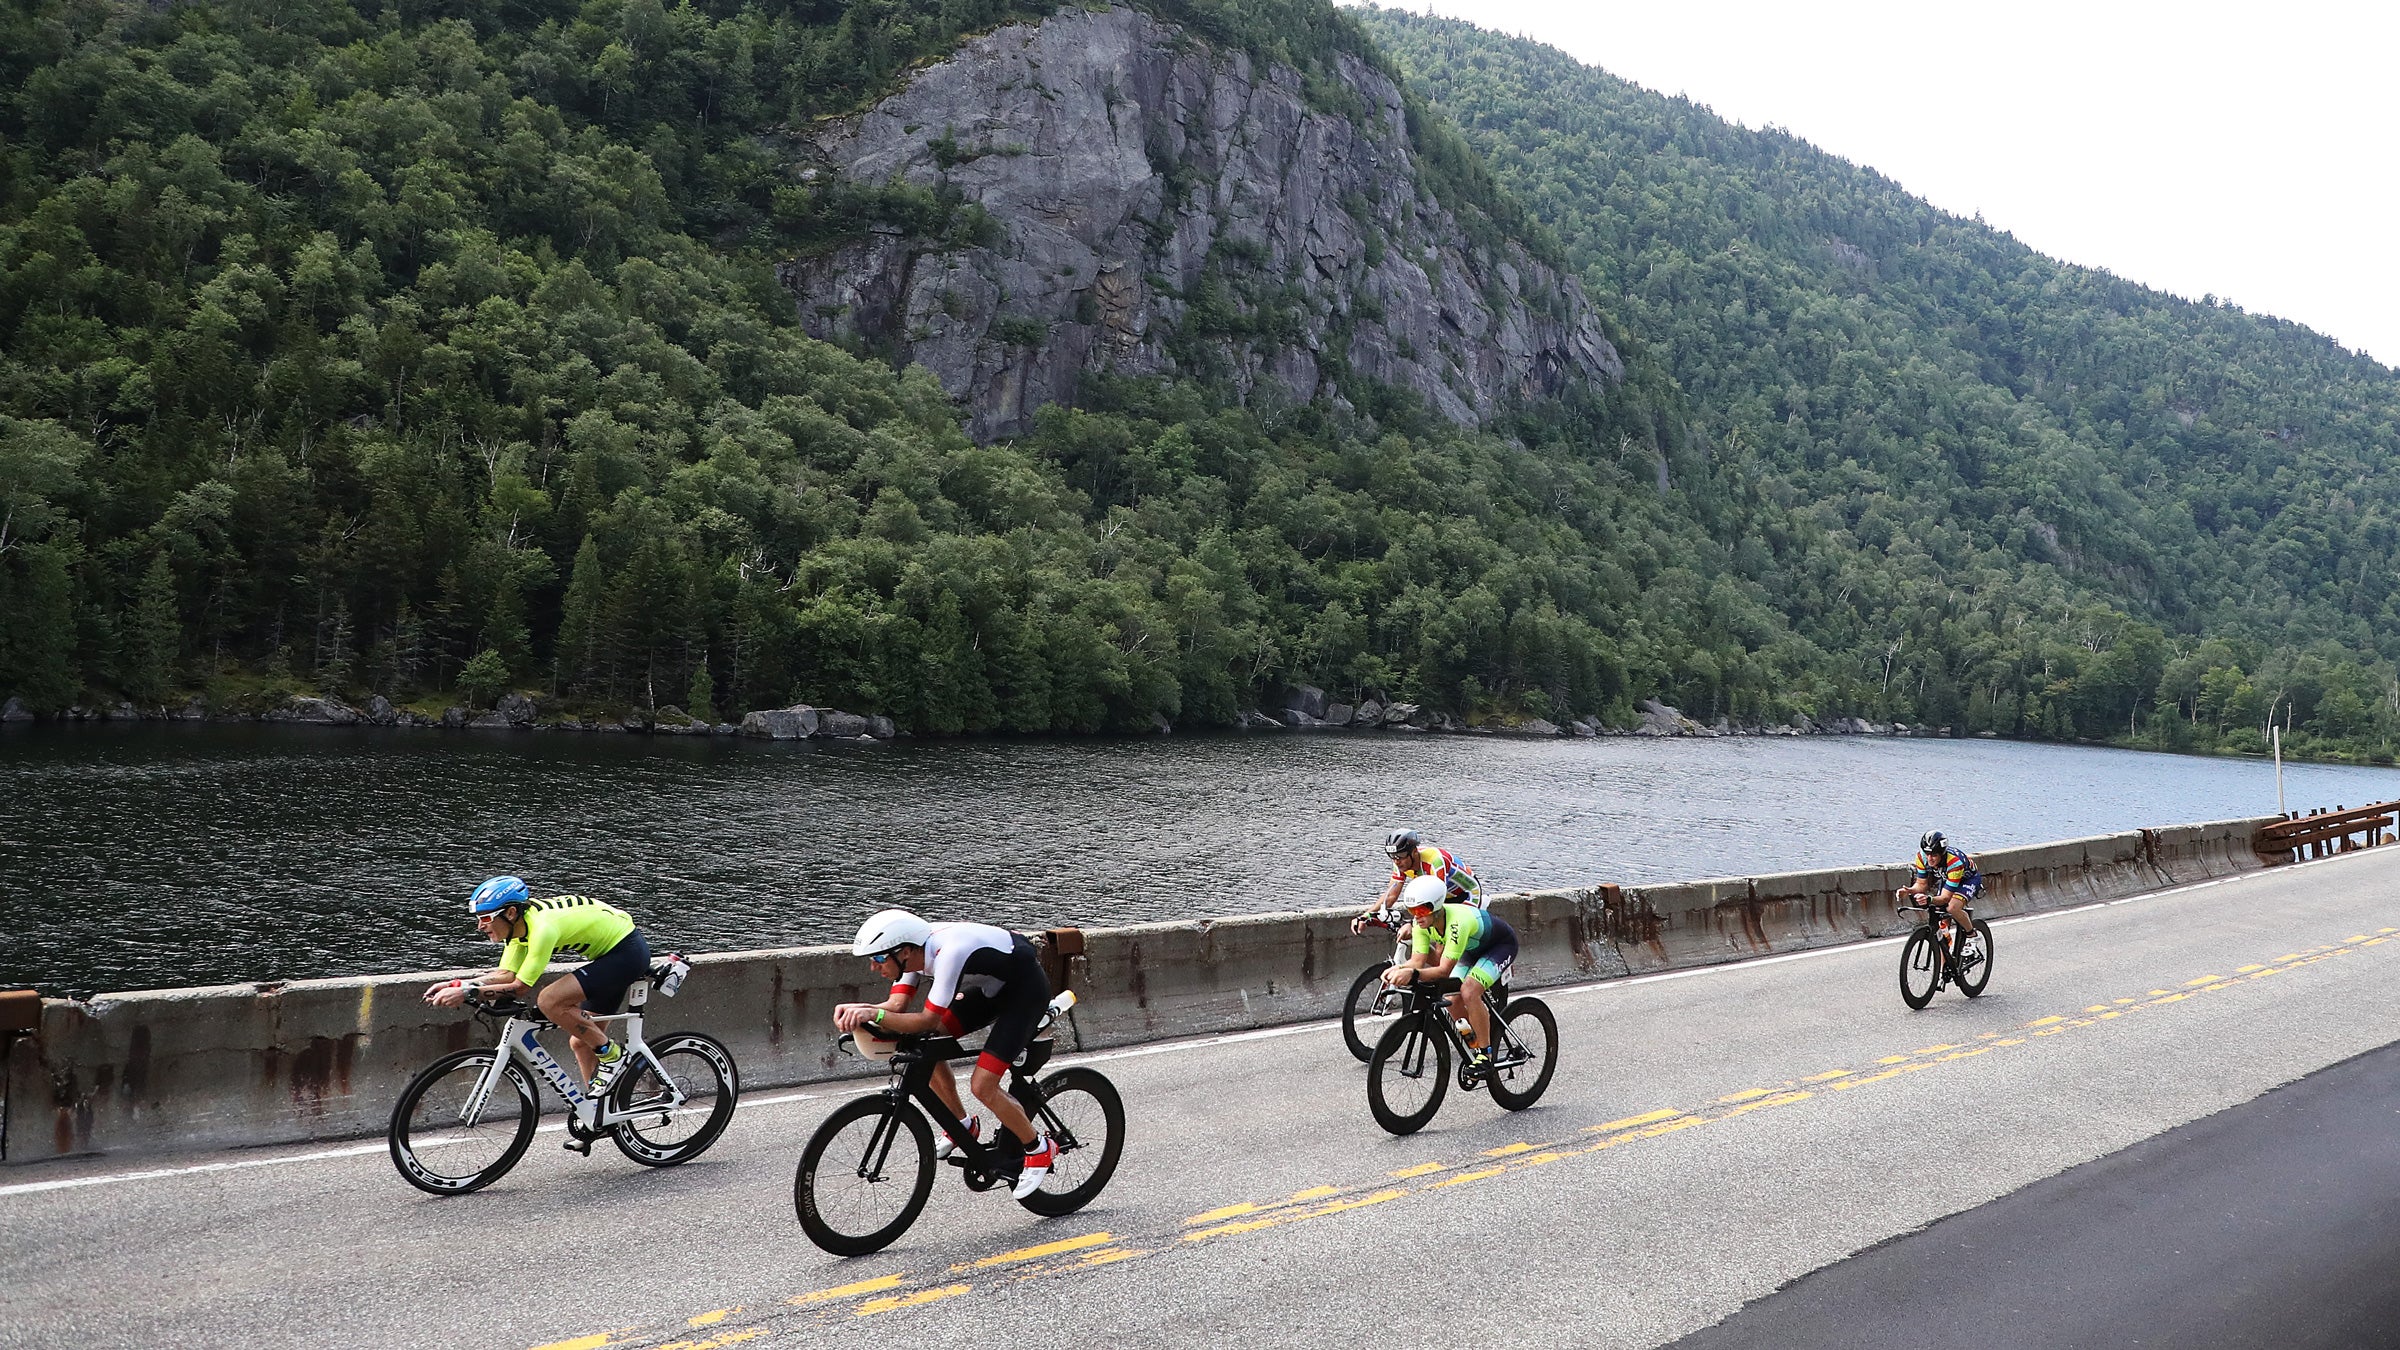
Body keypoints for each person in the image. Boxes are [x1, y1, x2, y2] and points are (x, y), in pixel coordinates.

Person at [833, 909, 1058, 1200]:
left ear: (903, 952)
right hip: (990, 987)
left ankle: (1038, 1148)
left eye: (878, 959)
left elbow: (926, 1019)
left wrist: (873, 1013)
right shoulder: (913, 954)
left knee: (983, 1086)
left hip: (1025, 992)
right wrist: (858, 1010)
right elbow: (897, 1005)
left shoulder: (949, 953)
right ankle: (962, 1124)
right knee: (923, 1043)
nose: (874, 968)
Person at [422, 876, 652, 1088]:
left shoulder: (542, 929)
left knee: (550, 1000)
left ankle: (613, 1055)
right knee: (582, 1042)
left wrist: (468, 995)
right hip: (609, 956)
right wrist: (459, 984)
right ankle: (603, 1112)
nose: (479, 926)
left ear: (510, 912)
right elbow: (506, 975)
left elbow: (519, 987)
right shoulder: (516, 930)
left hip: (626, 953)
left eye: (485, 918)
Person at [1382, 875, 1518, 1079]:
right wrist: (1398, 969)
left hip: (1499, 946)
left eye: (1421, 910)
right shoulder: (1421, 924)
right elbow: (1417, 961)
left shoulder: (1457, 923)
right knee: (1452, 999)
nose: (1416, 917)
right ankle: (1474, 1042)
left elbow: (1443, 970)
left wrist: (1412, 974)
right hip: (1470, 951)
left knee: (1469, 991)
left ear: (1436, 907)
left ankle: (1485, 1055)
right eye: (1412, 911)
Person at [1351, 828, 1482, 936]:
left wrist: (1412, 924)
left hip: (1468, 893)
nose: (1396, 861)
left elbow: (1436, 899)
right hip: (1445, 897)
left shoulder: (1435, 861)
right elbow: (1390, 896)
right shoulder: (1399, 862)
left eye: (1400, 856)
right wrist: (1365, 916)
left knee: (1454, 933)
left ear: (1414, 852)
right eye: (1393, 857)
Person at [1898, 831, 1984, 959]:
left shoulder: (1954, 862)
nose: (1930, 858)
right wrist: (1910, 890)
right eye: (1927, 854)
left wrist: (1929, 899)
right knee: (1942, 929)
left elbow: (1945, 898)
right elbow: (1921, 884)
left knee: (1952, 908)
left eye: (1934, 855)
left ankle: (1972, 935)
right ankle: (1944, 971)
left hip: (1967, 880)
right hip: (1948, 877)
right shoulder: (1922, 857)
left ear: (1942, 854)